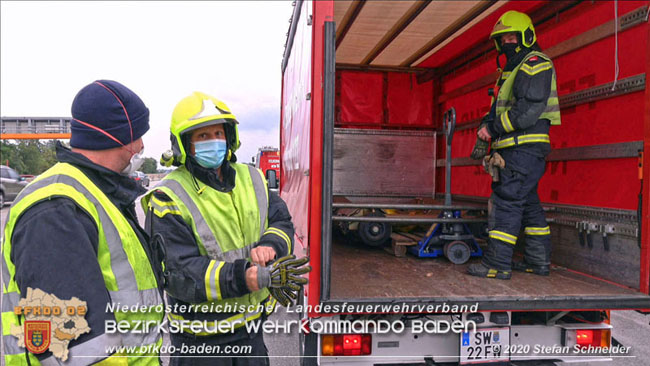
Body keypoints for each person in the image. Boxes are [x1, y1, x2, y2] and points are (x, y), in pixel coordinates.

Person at [1, 80, 164, 364]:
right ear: (117, 138)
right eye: (138, 135)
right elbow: (78, 353)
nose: (141, 145)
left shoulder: (94, 192)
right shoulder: (56, 211)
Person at [142, 91, 300, 365]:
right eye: (202, 136)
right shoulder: (168, 196)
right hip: (201, 344)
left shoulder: (252, 178)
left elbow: (281, 221)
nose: (213, 141)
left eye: (218, 133)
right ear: (185, 144)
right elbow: (180, 272)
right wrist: (243, 278)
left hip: (251, 335)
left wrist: (270, 246)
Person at [467, 11, 561, 280]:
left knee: (506, 202)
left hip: (523, 149)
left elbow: (528, 111)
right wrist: (487, 125)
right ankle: (537, 261)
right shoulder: (511, 70)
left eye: (511, 36)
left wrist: (493, 128)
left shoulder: (534, 62)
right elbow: (501, 107)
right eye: (502, 38)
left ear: (527, 36)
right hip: (520, 149)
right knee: (528, 204)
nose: (506, 42)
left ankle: (496, 264)